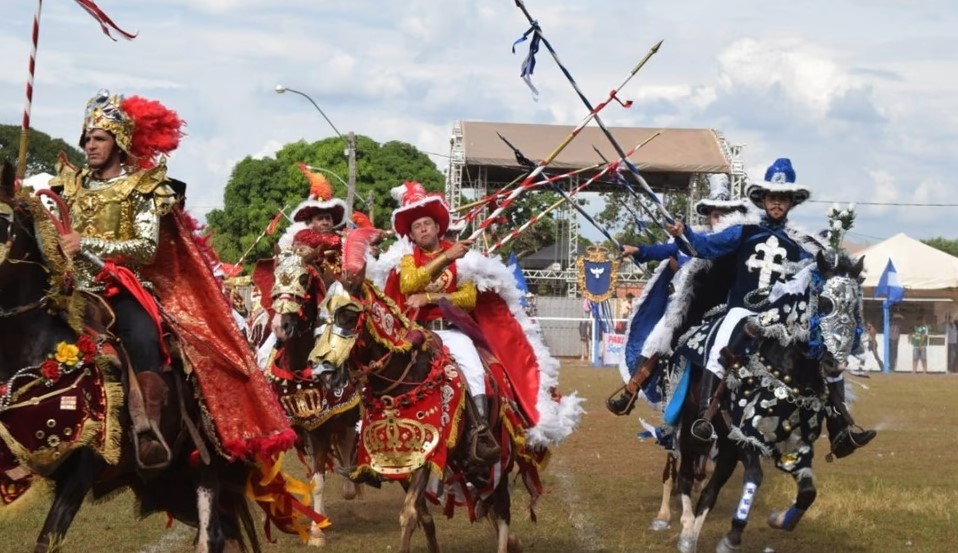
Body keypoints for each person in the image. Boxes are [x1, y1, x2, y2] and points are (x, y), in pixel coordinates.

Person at [55, 90, 292, 469]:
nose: (89, 145)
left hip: (122, 288)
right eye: (86, 138)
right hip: (71, 289)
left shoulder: (143, 187)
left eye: (98, 138)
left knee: (144, 338)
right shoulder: (67, 185)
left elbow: (146, 248)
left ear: (119, 142)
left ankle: (147, 428)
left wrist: (86, 243)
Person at [666, 158, 875, 457]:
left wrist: (837, 258)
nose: (777, 203)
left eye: (783, 198)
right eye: (772, 197)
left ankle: (840, 429)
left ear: (791, 202)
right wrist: (683, 232)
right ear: (763, 199)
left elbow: (823, 272)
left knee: (824, 355)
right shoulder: (743, 231)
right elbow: (706, 248)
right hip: (740, 310)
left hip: (781, 317)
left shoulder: (802, 242)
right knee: (717, 349)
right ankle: (705, 419)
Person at [608, 173, 750, 413]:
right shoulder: (693, 236)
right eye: (715, 214)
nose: (719, 219)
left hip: (722, 308)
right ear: (709, 216)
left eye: (724, 214)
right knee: (656, 338)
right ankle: (631, 391)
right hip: (685, 309)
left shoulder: (736, 240)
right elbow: (665, 249)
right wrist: (638, 249)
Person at [382, 181, 500, 464]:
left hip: (451, 332)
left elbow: (468, 298)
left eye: (427, 224)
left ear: (437, 227)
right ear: (410, 233)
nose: (422, 229)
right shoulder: (407, 258)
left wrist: (431, 298)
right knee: (383, 370)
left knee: (473, 369)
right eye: (416, 227)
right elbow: (410, 283)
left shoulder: (465, 257)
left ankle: (480, 431)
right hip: (414, 332)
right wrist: (447, 258)